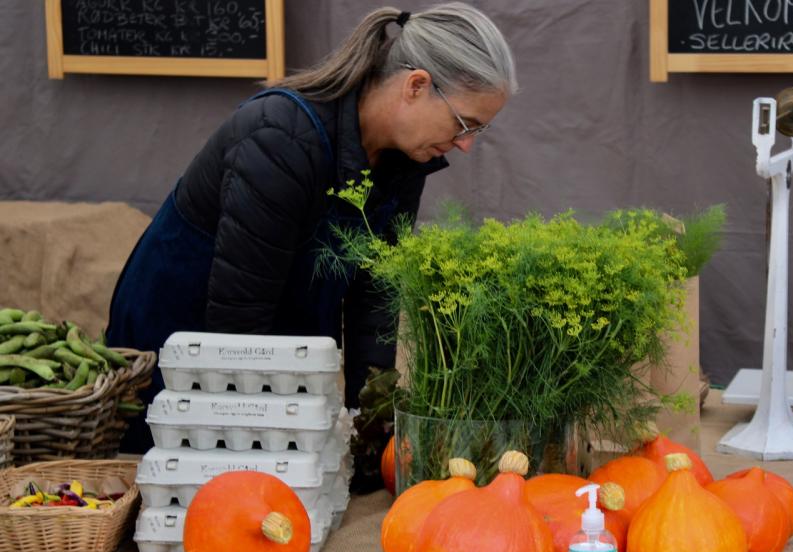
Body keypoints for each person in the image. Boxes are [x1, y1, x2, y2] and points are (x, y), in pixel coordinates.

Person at [105, 3, 517, 491]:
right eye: (465, 124)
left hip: (272, 358)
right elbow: (239, 322)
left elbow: (373, 303)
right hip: (182, 355)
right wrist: (265, 434)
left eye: (479, 131)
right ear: (416, 86)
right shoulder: (280, 135)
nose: (466, 145)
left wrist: (369, 436)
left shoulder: (405, 159)